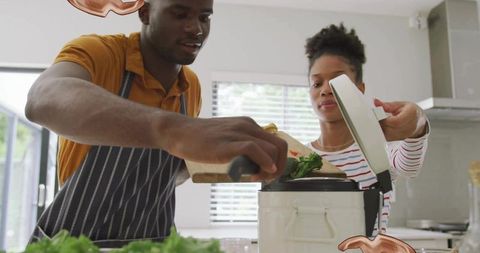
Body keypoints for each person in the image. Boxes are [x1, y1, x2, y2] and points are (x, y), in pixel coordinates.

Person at [25, 0, 287, 247]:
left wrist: (214, 161)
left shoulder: (190, 87)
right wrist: (171, 129)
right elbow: (43, 99)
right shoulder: (101, 54)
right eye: (180, 13)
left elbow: (163, 176)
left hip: (153, 245)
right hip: (75, 245)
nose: (196, 28)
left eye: (204, 17)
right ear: (145, 12)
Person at [304, 24, 429, 234]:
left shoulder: (379, 151)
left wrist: (418, 119)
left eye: (336, 81)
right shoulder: (302, 159)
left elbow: (410, 166)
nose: (325, 90)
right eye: (317, 84)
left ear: (360, 89)